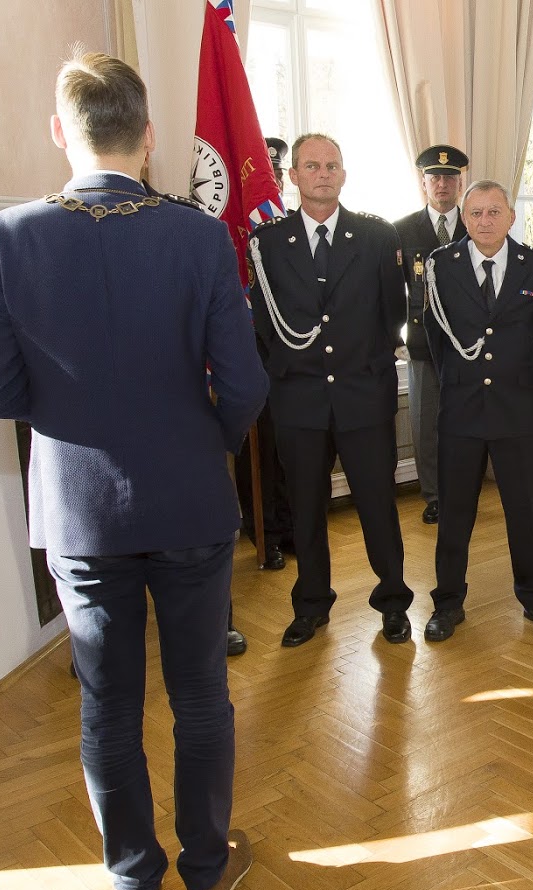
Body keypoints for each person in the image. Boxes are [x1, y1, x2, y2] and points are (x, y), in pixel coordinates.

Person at [0, 52, 266, 890]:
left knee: (107, 708)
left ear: (60, 133)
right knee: (200, 695)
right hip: (190, 502)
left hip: (81, 512)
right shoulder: (197, 236)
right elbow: (244, 384)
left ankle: (136, 886)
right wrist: (205, 443)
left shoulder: (6, 237)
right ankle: (206, 875)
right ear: (149, 135)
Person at [249, 133, 416, 648]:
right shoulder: (267, 243)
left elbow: (393, 314)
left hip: (363, 396)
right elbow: (263, 324)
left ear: (343, 175)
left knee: (378, 505)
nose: (322, 174)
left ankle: (393, 602)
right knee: (305, 509)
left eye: (331, 165)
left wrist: (361, 362)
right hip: (299, 401)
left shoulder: (377, 236)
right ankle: (311, 605)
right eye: (311, 166)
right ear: (293, 176)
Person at [422, 180, 533, 641]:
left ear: (511, 217)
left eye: (494, 212)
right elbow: (435, 334)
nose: (485, 221)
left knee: (527, 511)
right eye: (476, 213)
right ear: (464, 219)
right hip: (461, 410)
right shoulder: (440, 266)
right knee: (454, 512)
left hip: (517, 409)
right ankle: (448, 603)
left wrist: (525, 384)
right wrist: (459, 379)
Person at [394, 144, 468, 526]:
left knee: (466, 421)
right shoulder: (402, 229)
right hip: (423, 343)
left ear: (460, 183)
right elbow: (392, 291)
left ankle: (463, 490)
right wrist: (395, 340)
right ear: (423, 183)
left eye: (449, 177)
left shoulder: (476, 224)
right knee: (425, 424)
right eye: (435, 177)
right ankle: (435, 495)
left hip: (469, 345)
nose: (442, 184)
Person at [234, 135, 296, 573]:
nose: (272, 180)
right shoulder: (231, 227)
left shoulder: (290, 227)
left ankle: (291, 526)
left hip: (289, 354)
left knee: (291, 447)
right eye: (265, 172)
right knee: (257, 450)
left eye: (276, 173)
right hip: (247, 350)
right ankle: (264, 532)